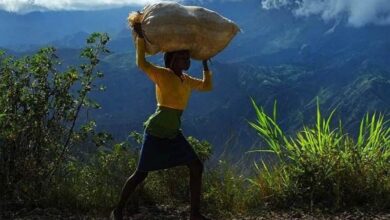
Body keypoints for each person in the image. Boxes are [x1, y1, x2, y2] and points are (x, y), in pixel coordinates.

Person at [110, 22, 213, 220]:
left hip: (173, 133)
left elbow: (207, 86)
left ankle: (195, 214)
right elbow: (141, 63)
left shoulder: (186, 79)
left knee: (196, 166)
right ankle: (118, 210)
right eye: (182, 57)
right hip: (156, 132)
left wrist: (206, 64)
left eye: (186, 57)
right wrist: (140, 38)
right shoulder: (162, 74)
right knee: (141, 174)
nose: (186, 61)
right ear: (171, 60)